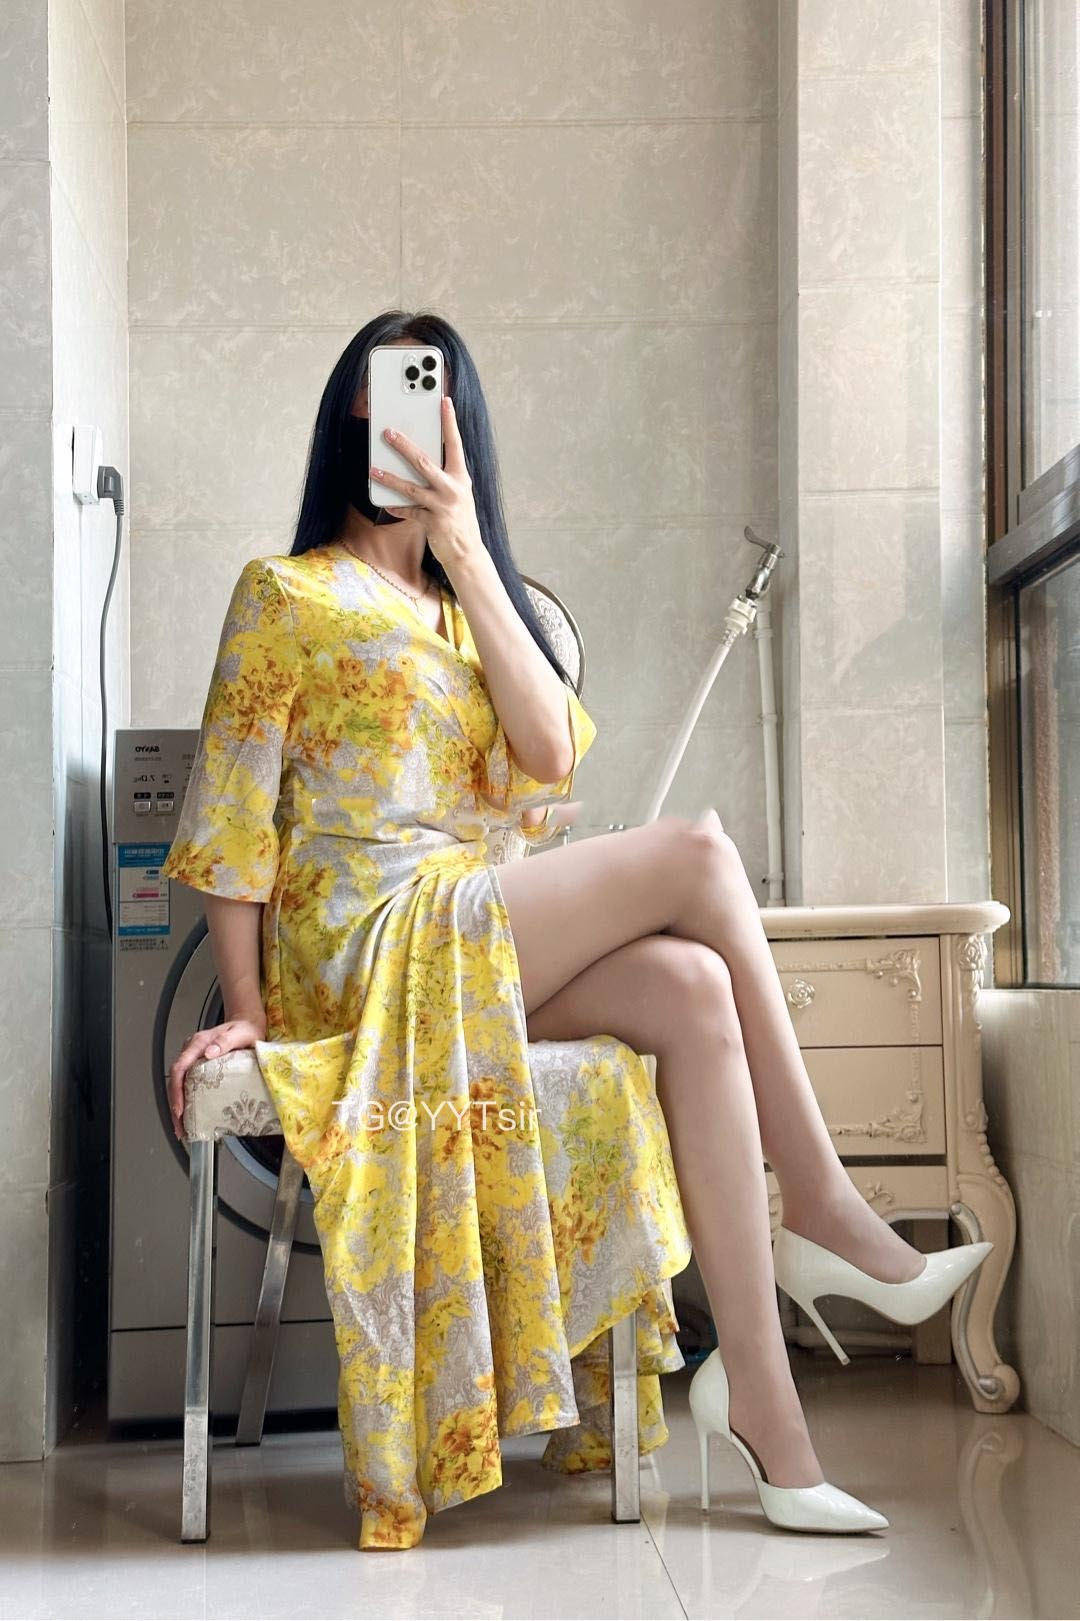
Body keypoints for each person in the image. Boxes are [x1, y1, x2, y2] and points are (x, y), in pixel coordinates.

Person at [163, 310, 991, 1549]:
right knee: (700, 852)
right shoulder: (285, 593)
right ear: (350, 417)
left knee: (690, 989)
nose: (408, 428)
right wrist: (249, 1006)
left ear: (465, 434)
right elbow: (232, 820)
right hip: (369, 940)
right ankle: (819, 1200)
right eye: (386, 400)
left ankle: (771, 1421)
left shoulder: (473, 607)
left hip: (466, 929)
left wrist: (464, 549)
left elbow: (547, 754)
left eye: (435, 405)